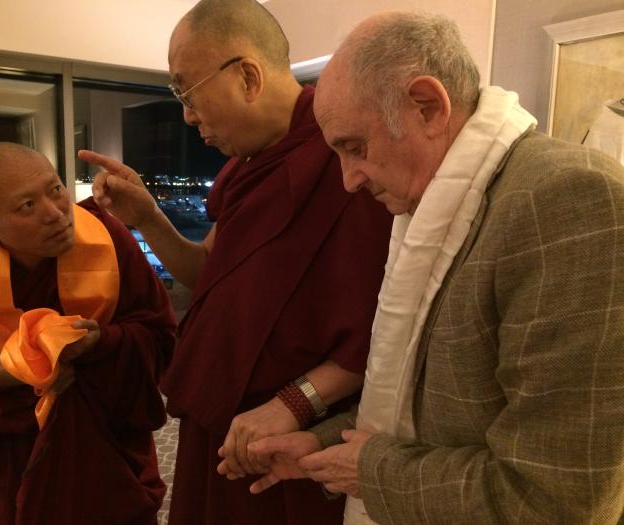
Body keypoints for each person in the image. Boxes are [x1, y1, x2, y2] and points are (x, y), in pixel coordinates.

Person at [245, 11, 624, 525]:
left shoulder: (567, 198)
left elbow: (559, 498)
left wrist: (372, 472)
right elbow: (425, 401)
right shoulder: (435, 207)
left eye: (355, 148)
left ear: (427, 107)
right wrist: (318, 443)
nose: (348, 180)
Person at [78, 0, 392, 523]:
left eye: (187, 91)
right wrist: (150, 218)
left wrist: (292, 405)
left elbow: (380, 331)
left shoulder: (345, 160)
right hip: (222, 416)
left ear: (247, 76)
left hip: (287, 435)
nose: (187, 115)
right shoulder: (246, 169)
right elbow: (207, 272)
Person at [0, 142, 176, 525]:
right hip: (18, 437)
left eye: (55, 189)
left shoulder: (106, 238)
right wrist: (31, 370)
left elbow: (160, 336)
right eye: (27, 206)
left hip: (105, 429)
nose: (56, 214)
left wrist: (102, 342)